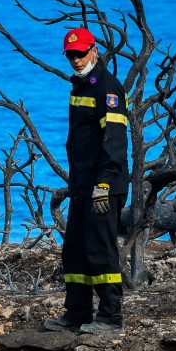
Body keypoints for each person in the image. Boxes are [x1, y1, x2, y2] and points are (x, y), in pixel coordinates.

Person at [44, 27, 129, 335]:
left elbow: (115, 140)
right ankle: (77, 313)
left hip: (103, 186)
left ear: (94, 50)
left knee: (100, 249)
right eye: (71, 56)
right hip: (82, 186)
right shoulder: (80, 86)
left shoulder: (107, 87)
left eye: (80, 54)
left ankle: (110, 317)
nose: (76, 60)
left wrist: (104, 183)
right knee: (75, 250)